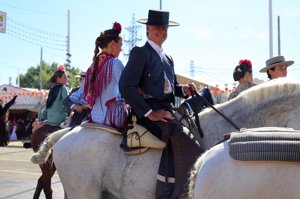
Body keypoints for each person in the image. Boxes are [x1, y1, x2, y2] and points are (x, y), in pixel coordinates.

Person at [119, 9, 202, 198]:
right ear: (148, 29)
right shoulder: (140, 53)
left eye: (164, 28)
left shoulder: (168, 58)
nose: (162, 31)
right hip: (147, 112)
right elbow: (125, 86)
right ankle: (171, 192)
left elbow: (171, 88)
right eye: (157, 27)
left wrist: (184, 90)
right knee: (180, 135)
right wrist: (149, 112)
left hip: (167, 110)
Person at [30, 65, 68, 199]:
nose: (66, 79)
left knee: (46, 172)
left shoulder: (52, 90)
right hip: (59, 119)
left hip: (50, 118)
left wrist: (45, 117)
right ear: (58, 78)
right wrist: (74, 108)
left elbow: (47, 107)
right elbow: (67, 102)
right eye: (64, 77)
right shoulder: (63, 89)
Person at [82, 21, 126, 129]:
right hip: (113, 118)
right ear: (112, 44)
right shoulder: (115, 63)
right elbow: (126, 89)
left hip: (95, 116)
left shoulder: (91, 68)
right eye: (121, 45)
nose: (121, 48)